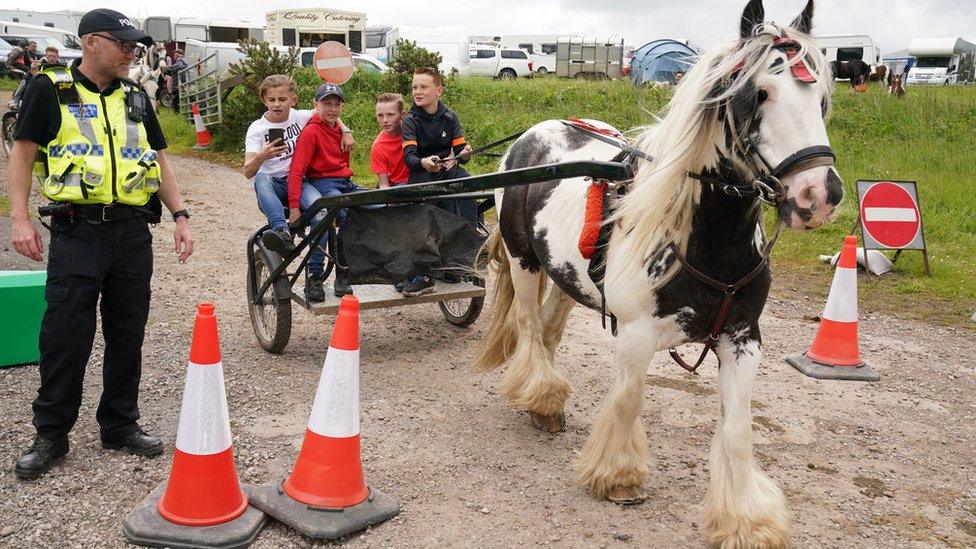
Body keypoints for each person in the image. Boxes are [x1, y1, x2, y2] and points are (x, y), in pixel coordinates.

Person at [6, 8, 194, 480]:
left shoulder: (135, 96)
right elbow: (23, 155)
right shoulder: (51, 90)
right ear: (91, 42)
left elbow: (158, 161)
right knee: (66, 335)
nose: (132, 52)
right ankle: (51, 433)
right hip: (77, 229)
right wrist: (21, 219)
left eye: (134, 45)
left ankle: (120, 424)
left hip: (132, 231)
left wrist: (181, 215)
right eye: (123, 44)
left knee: (128, 331)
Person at [244, 75, 355, 255]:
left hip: (300, 183)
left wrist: (346, 130)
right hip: (273, 185)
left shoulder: (300, 116)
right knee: (261, 178)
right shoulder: (257, 128)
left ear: (293, 100)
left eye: (282, 99)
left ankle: (315, 271)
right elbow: (248, 171)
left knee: (322, 211)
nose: (277, 104)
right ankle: (282, 233)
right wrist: (261, 156)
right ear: (264, 100)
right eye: (271, 100)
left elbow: (329, 112)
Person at [400, 66, 476, 296]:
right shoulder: (410, 121)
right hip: (423, 174)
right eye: (415, 87)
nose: (417, 91)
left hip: (448, 170)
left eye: (424, 87)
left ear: (438, 90)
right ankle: (425, 274)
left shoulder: (449, 116)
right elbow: (409, 158)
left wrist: (466, 153)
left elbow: (461, 149)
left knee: (469, 187)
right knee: (428, 209)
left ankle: (465, 255)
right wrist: (425, 162)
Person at [287, 82, 358, 301]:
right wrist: (294, 207)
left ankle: (344, 272)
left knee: (369, 209)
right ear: (315, 105)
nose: (333, 109)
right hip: (324, 184)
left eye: (337, 104)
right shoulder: (311, 132)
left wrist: (346, 130)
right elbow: (297, 170)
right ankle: (315, 277)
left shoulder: (340, 129)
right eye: (327, 103)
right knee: (331, 214)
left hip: (345, 182)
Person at [370, 92, 409, 189]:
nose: (385, 120)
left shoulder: (414, 133)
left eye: (390, 115)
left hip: (418, 181)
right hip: (395, 188)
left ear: (402, 115)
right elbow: (384, 185)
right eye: (380, 115)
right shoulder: (378, 146)